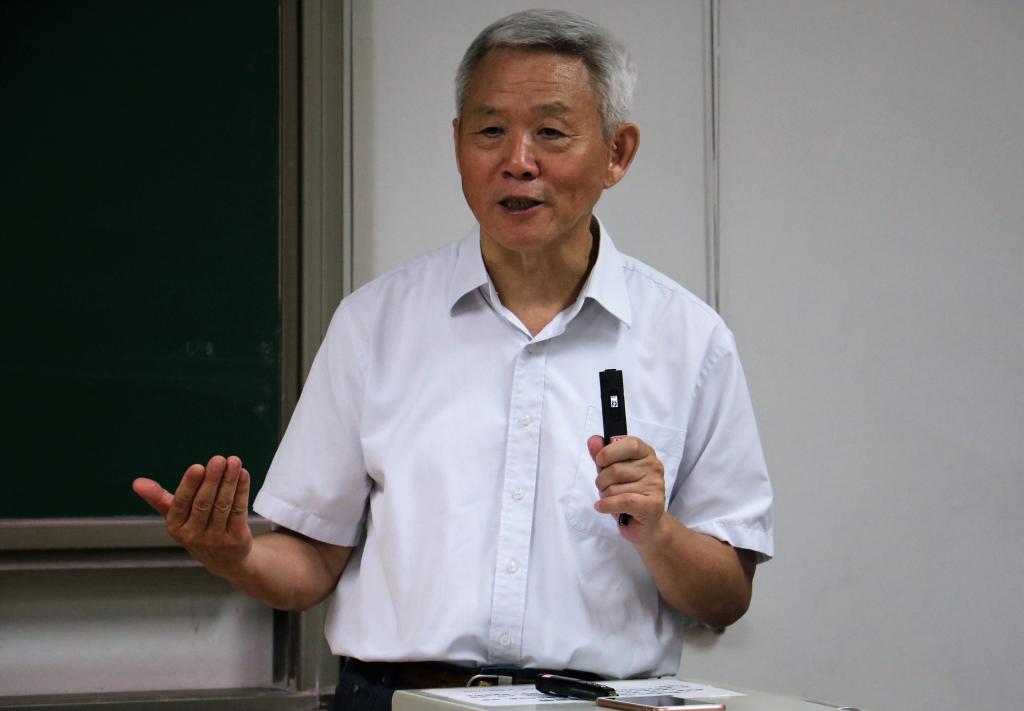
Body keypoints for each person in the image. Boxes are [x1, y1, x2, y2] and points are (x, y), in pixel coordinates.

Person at [133, 9, 773, 711]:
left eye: (551, 132)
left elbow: (726, 596)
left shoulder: (689, 339)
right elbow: (313, 559)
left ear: (617, 153)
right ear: (458, 143)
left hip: (600, 703)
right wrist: (238, 556)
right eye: (490, 131)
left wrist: (658, 531)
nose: (517, 160)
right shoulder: (375, 322)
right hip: (396, 700)